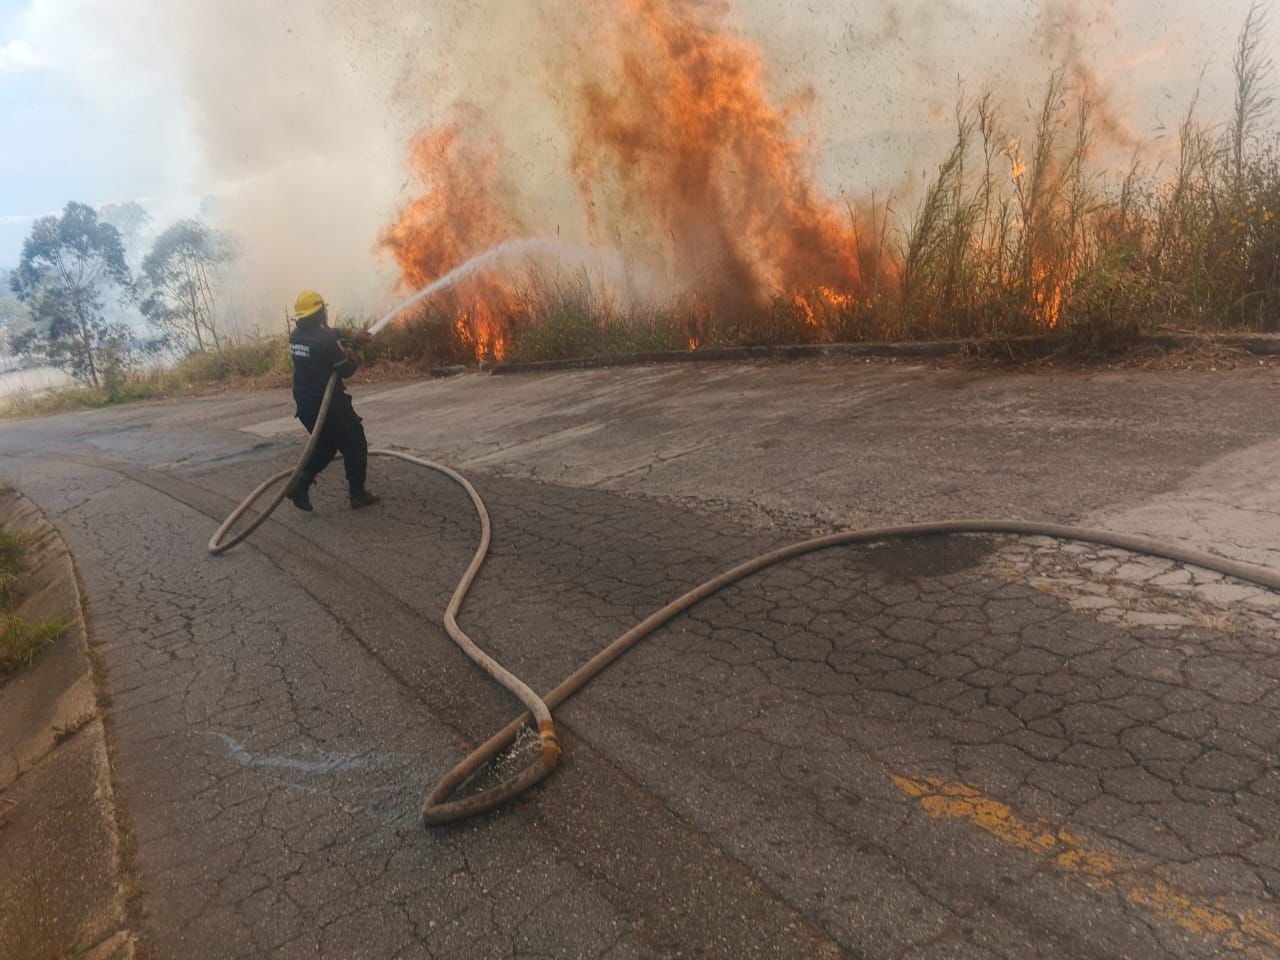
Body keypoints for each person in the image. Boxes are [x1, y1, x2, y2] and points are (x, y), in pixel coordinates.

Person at [284, 290, 380, 511]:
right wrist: (357, 350)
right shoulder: (326, 342)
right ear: (319, 313)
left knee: (327, 446)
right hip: (329, 406)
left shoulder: (296, 335)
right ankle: (358, 494)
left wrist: (352, 334)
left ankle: (300, 484)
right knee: (355, 442)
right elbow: (347, 370)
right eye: (323, 310)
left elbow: (330, 333)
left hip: (306, 405)